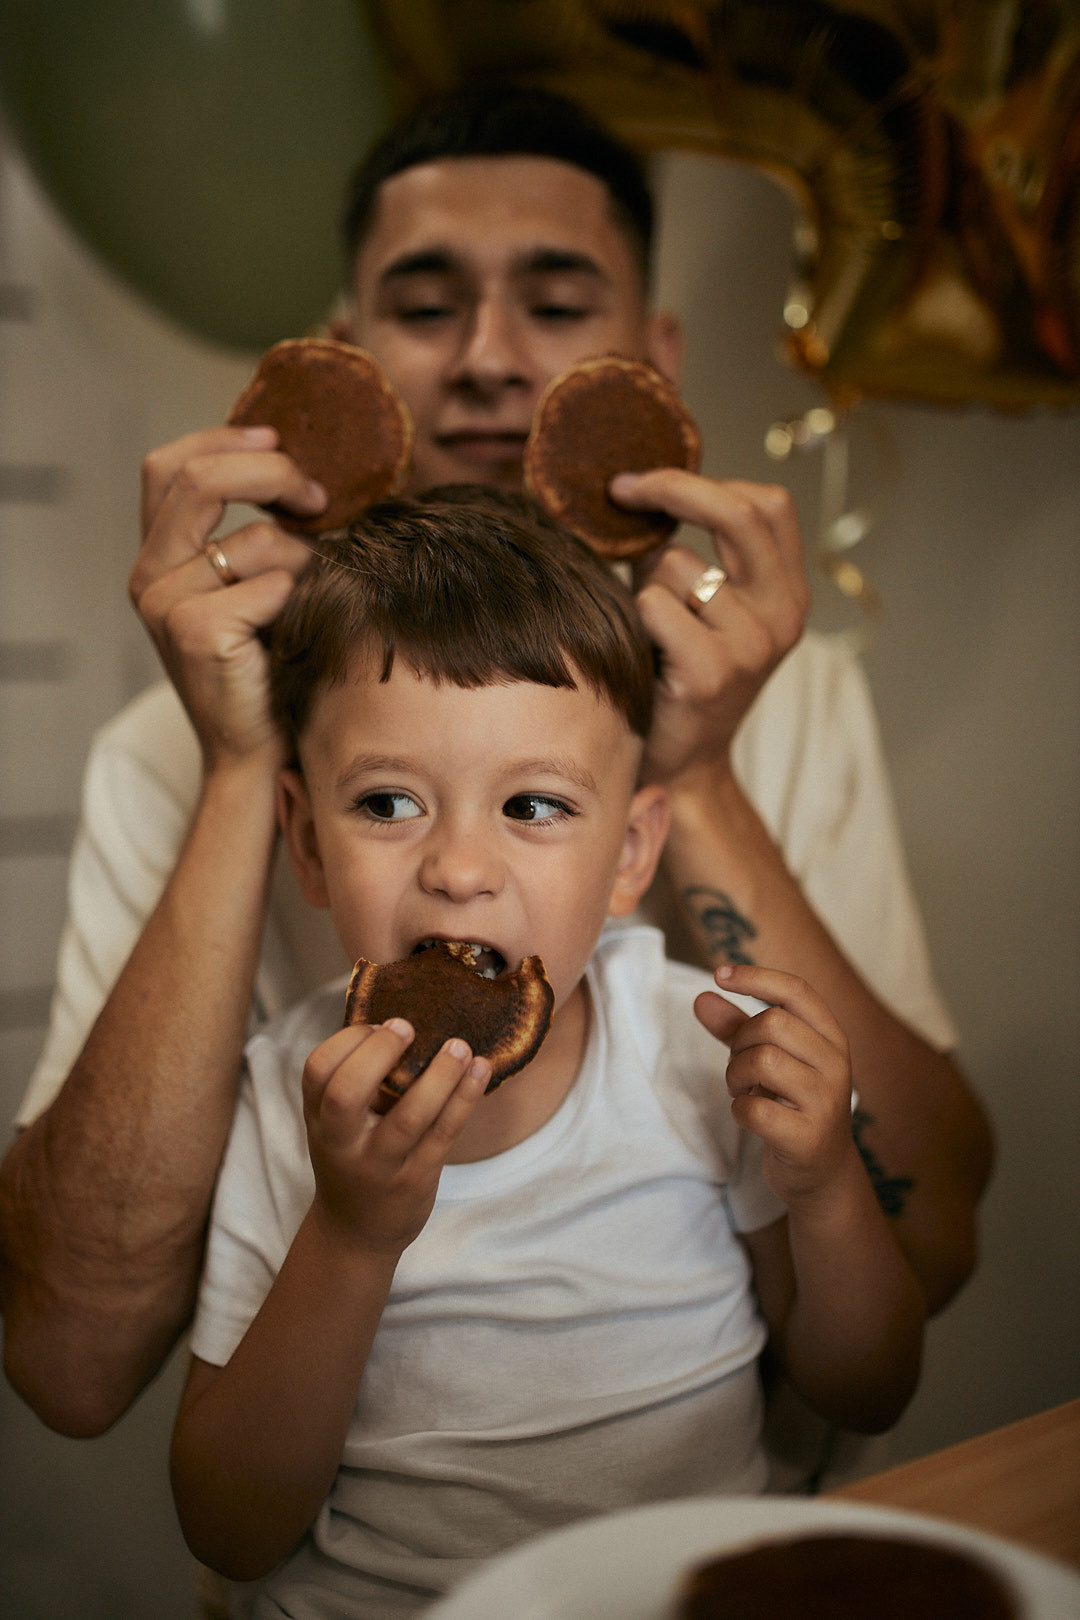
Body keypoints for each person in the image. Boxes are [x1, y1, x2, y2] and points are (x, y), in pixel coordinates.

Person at [0, 85, 989, 1439]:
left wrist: (694, 778)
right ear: (341, 364)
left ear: (651, 361)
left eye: (556, 300)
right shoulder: (174, 745)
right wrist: (241, 768)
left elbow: (926, 1248)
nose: (484, 355)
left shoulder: (789, 696)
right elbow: (71, 1364)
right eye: (423, 304)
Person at [169, 488, 926, 1617]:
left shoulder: (693, 1047)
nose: (460, 868)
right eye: (387, 801)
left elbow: (866, 1390)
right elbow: (230, 1527)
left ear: (630, 854)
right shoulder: (291, 1090)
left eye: (532, 805)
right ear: (305, 842)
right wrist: (350, 1233)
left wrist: (822, 1189)